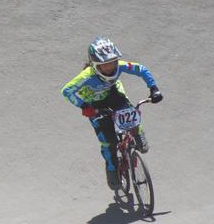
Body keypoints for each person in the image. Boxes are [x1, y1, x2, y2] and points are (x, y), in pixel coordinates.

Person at [62, 37, 163, 190]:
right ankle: (111, 168)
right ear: (95, 65)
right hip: (94, 104)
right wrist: (84, 106)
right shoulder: (86, 76)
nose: (110, 68)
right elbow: (67, 91)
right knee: (109, 142)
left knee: (130, 112)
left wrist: (154, 89)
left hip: (113, 94)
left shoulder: (120, 66)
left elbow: (141, 69)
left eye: (113, 63)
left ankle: (138, 133)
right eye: (105, 65)